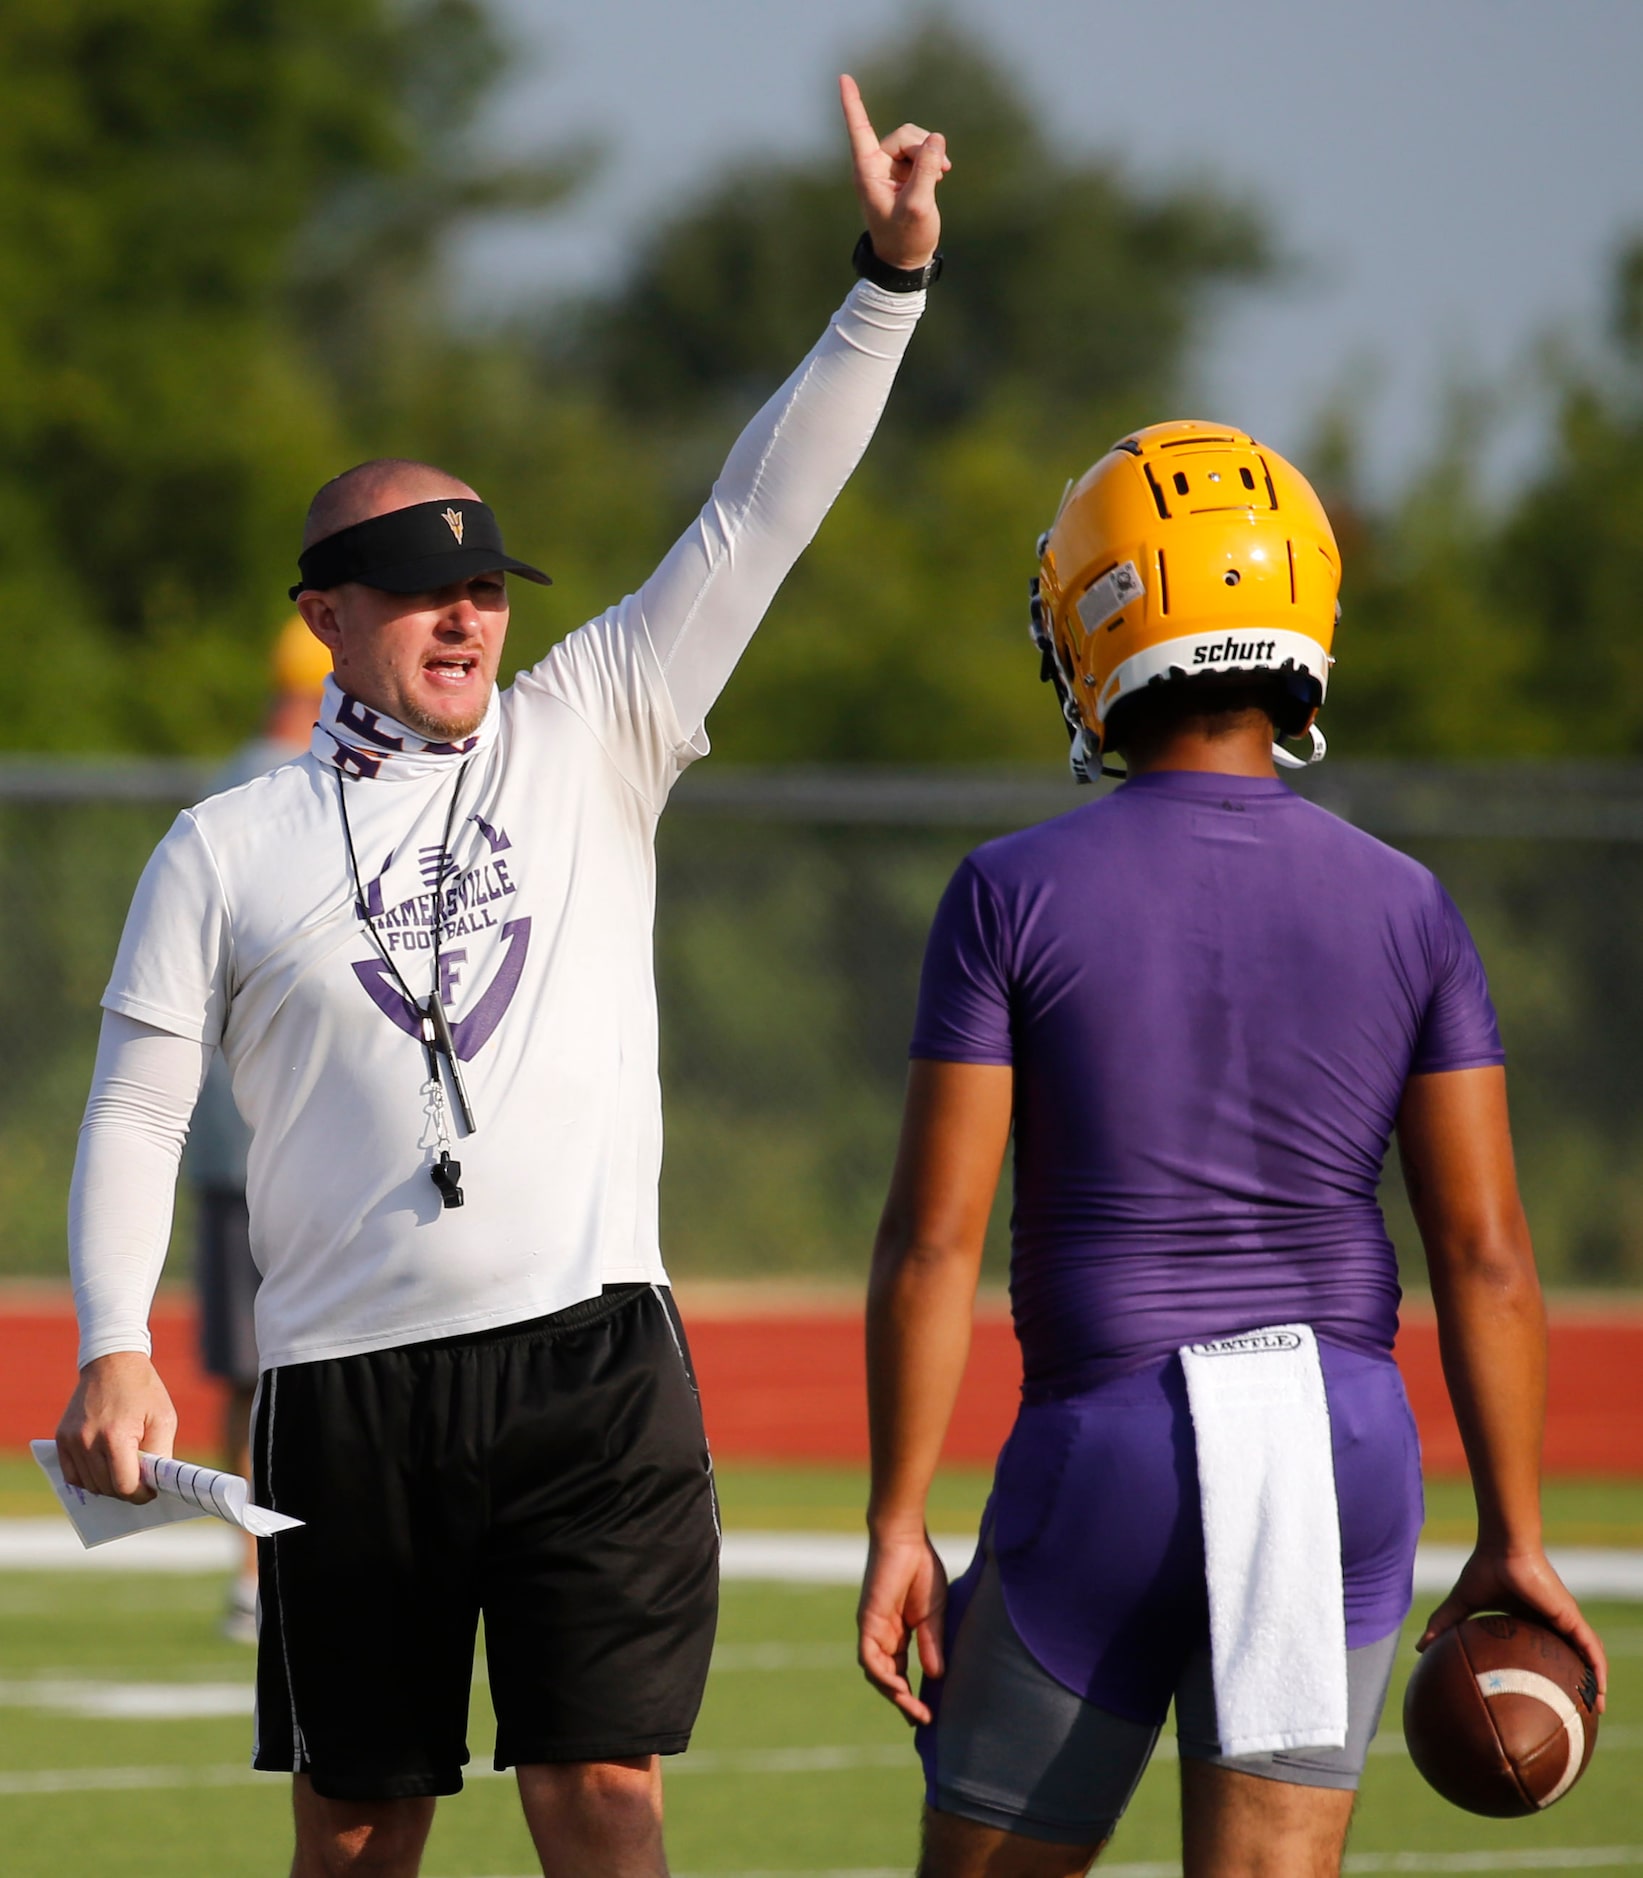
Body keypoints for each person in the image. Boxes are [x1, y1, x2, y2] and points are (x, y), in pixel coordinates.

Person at [56, 76, 947, 1878]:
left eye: (485, 585)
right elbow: (141, 1101)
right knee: (363, 1824)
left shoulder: (594, 724)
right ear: (324, 616)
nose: (465, 615)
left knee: (603, 1794)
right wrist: (111, 1342)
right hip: (344, 1387)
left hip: (591, 1360)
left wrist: (885, 278)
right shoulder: (225, 842)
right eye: (414, 586)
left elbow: (751, 516)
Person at [856, 422, 1608, 1878]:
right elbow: (1484, 1250)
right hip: (1334, 1439)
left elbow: (932, 1239)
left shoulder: (1008, 888)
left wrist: (896, 1516)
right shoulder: (1405, 901)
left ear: (1093, 620)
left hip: (1112, 1440)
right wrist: (1513, 1529)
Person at [183, 615, 333, 1643]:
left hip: (229, 1136)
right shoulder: (312, 798)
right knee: (310, 1361)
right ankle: (281, 1563)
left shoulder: (220, 792)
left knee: (248, 1369)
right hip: (304, 1134)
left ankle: (251, 1566)